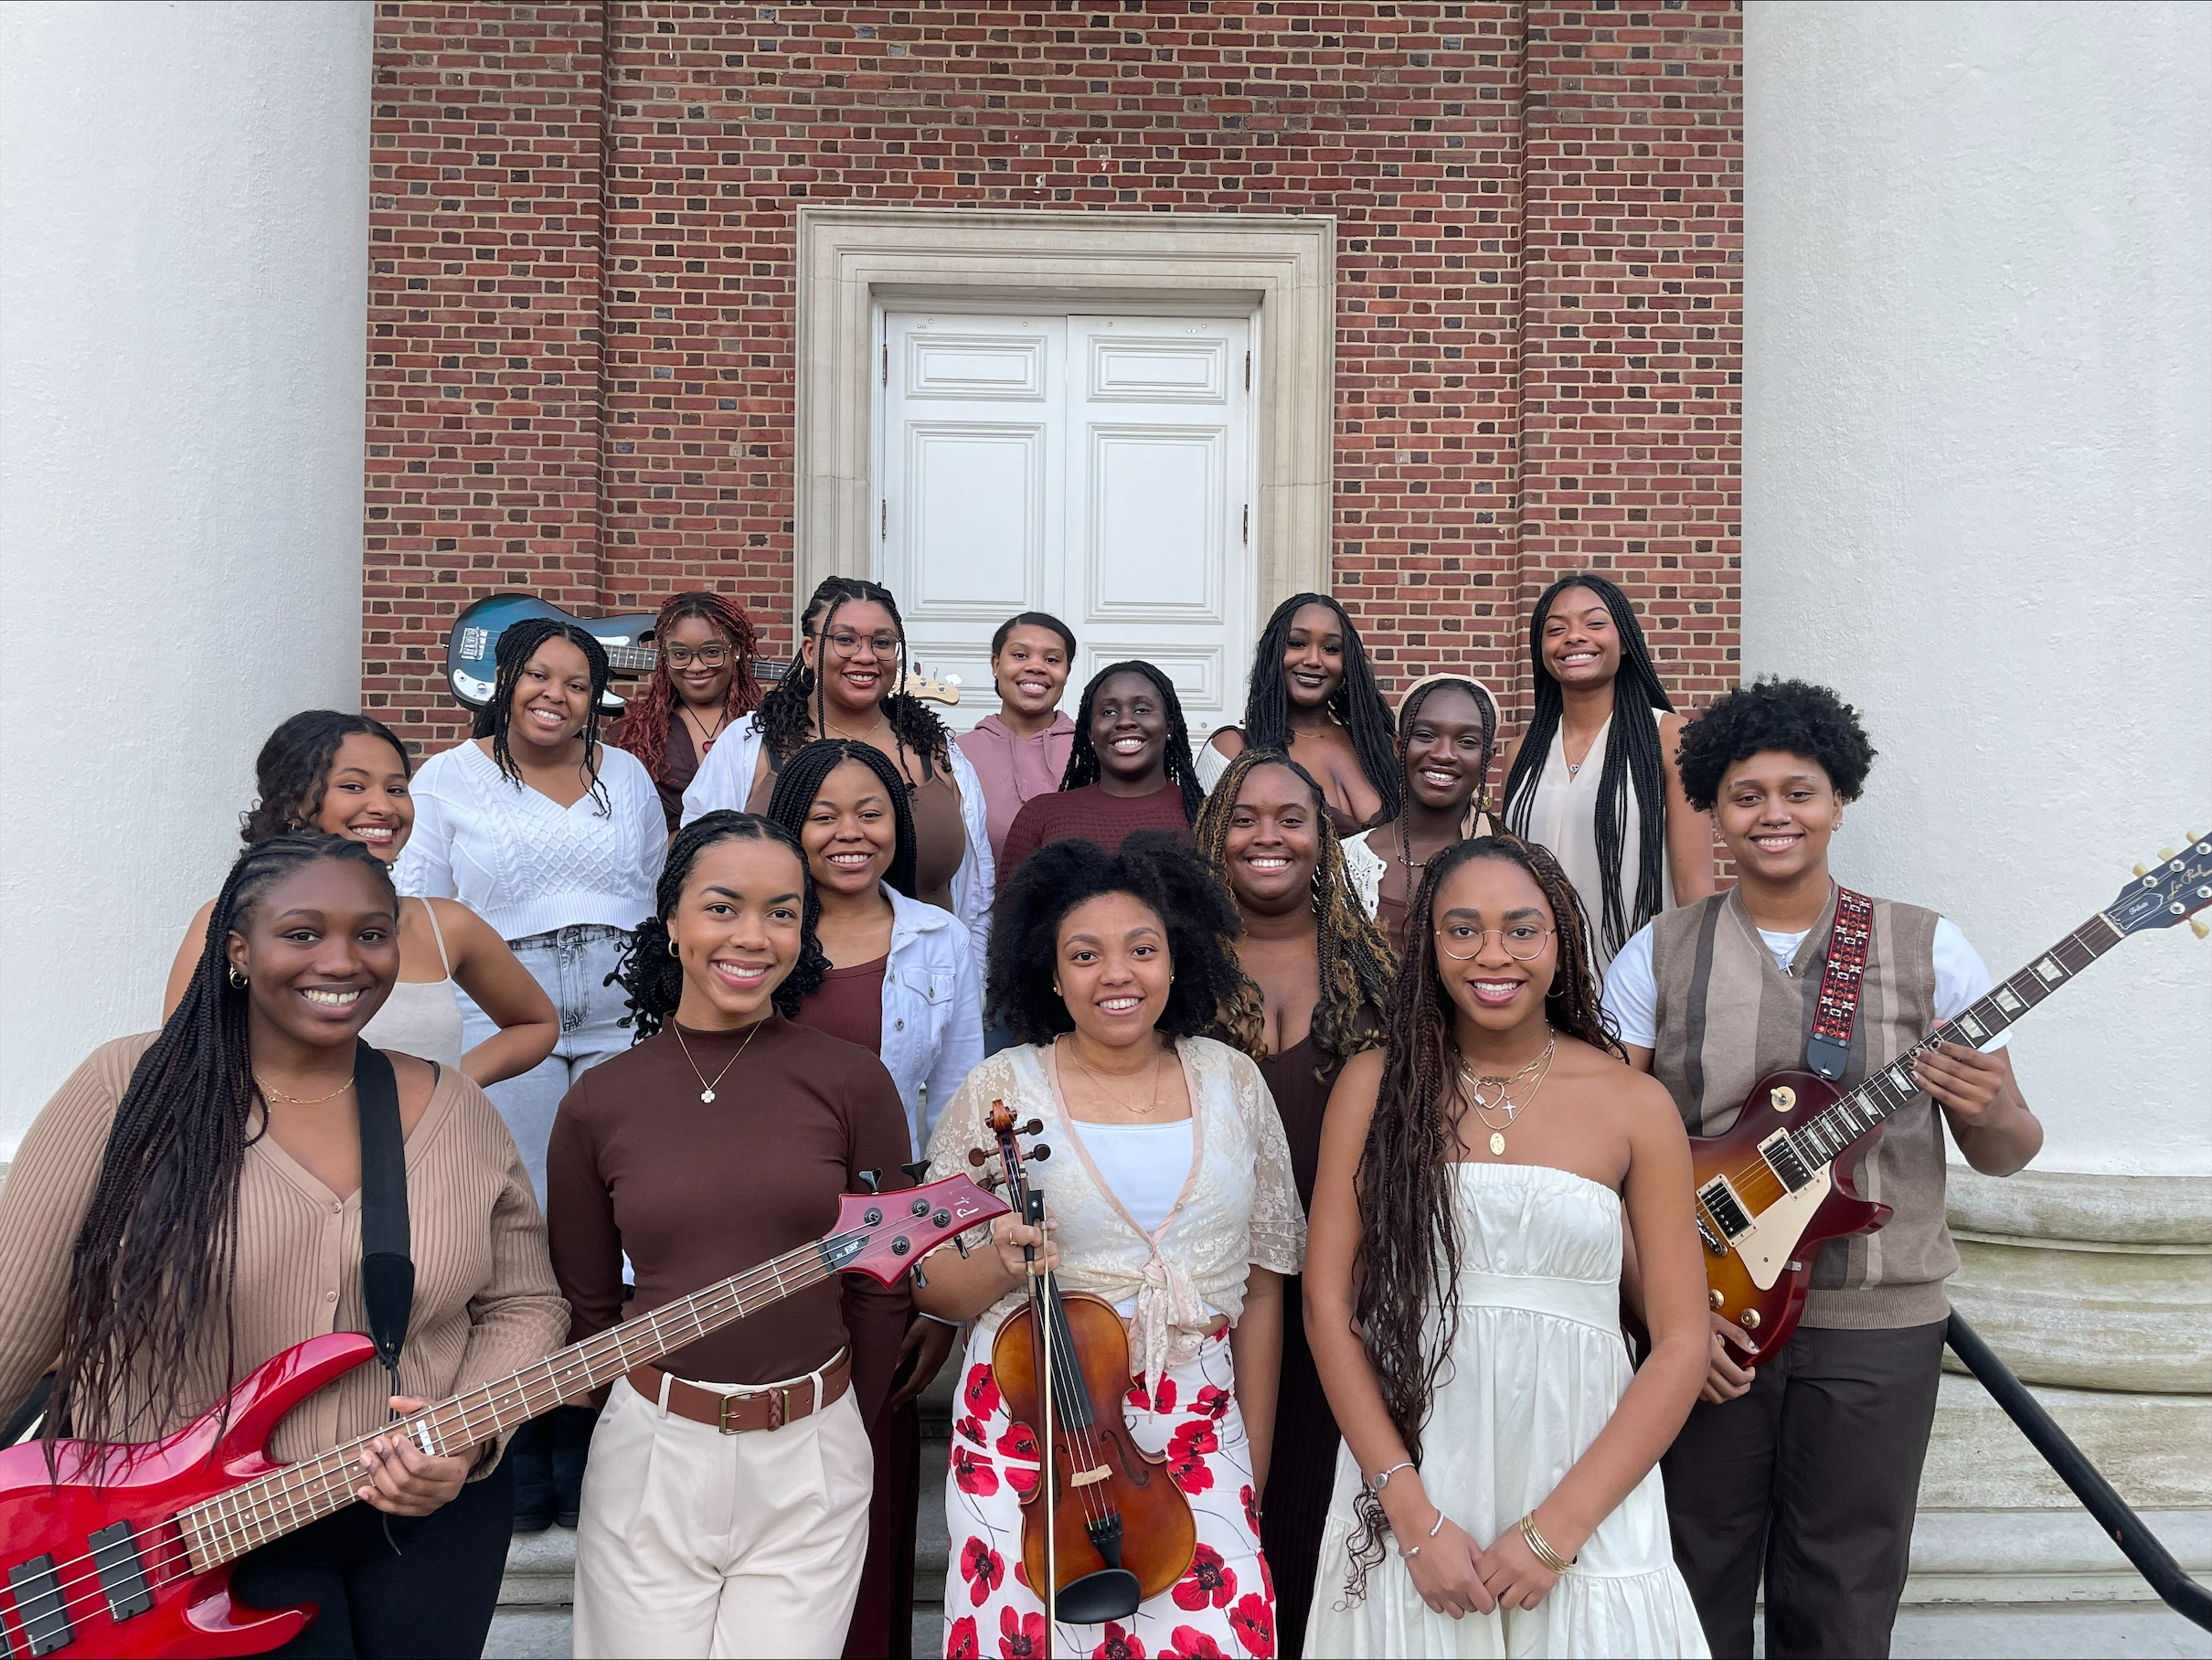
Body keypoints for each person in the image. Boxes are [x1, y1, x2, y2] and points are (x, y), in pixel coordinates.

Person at [0, 834, 569, 1659]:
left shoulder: (455, 1108)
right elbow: (14, 1318)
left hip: (427, 1525)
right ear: (237, 950)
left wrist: (461, 1435)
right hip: (184, 1542)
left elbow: (525, 1303)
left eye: (371, 934)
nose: (342, 961)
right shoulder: (129, 1090)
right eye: (302, 933)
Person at [1604, 679, 2043, 1660]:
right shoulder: (1655, 954)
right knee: (1689, 1567)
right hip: (1702, 1319)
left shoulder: (1931, 948)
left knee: (1845, 1584)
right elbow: (1604, 1157)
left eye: (1796, 792)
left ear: (1837, 801)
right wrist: (1663, 1305)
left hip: (1877, 1323)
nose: (1772, 814)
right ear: (1713, 810)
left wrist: (1991, 1106)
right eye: (1745, 793)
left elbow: (2006, 1150)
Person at [1303, 835, 1711, 1656]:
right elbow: (1328, 1305)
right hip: (1417, 1473)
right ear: (1428, 946)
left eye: (1523, 929)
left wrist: (1559, 1528)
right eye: (1463, 930)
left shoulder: (1635, 1105)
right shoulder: (1374, 1087)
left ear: (1561, 942)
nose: (1494, 954)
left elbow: (1680, 1340)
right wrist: (1411, 1517)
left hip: (1585, 1479)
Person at [913, 835, 1305, 1660]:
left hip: (1199, 1418)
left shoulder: (1234, 1081)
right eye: (1084, 955)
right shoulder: (1000, 1091)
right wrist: (999, 1262)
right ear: (1051, 975)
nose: (1116, 975)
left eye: (1142, 949)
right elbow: (934, 1287)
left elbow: (1265, 1289)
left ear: (1177, 958)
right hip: (1038, 1426)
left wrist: (1250, 1460)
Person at [548, 812, 913, 1659]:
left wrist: (841, 1428)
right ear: (671, 920)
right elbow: (590, 1305)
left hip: (812, 1450)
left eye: (783, 912)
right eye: (723, 907)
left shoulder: (853, 1082)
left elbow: (876, 1284)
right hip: (651, 1454)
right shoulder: (599, 1102)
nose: (753, 936)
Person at [394, 616, 665, 1531]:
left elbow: (658, 891)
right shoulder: (446, 778)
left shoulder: (623, 776)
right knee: (526, 1225)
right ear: (504, 682)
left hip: (624, 1000)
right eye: (537, 675)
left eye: (577, 682)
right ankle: (523, 1429)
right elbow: (418, 908)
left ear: (599, 698)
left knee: (615, 1217)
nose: (556, 693)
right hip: (509, 1003)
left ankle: (591, 1424)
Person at [761, 739, 985, 1660]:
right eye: (823, 813)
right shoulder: (756, 929)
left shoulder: (941, 937)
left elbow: (963, 1105)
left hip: (888, 1244)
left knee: (868, 1475)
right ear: (790, 825)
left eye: (870, 812)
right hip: (759, 1237)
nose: (848, 832)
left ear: (900, 825)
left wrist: (942, 1280)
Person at [1191, 747, 1396, 1658]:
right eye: (1243, 816)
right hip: (1200, 1306)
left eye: (1289, 817)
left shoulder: (1378, 973)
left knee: (1322, 1533)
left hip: (1348, 1305)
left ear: (1324, 840)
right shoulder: (1169, 968)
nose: (1265, 835)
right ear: (1211, 834)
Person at [163, 710, 558, 1087]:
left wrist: (447, 1086)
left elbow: (535, 1023)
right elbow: (182, 1056)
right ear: (291, 803)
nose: (384, 807)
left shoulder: (446, 926)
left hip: (421, 1155)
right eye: (353, 786)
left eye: (397, 789)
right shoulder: (229, 919)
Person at [681, 576, 993, 978]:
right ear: (809, 651)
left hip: (929, 985)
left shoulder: (937, 749)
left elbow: (977, 887)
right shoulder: (750, 743)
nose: (865, 656)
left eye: (882, 642)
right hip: (781, 986)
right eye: (845, 640)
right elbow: (698, 868)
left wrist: (973, 979)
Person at [1495, 572, 1714, 974]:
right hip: (1537, 980)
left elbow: (1693, 885)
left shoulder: (1671, 738)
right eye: (1556, 629)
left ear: (1626, 641)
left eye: (1595, 623)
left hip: (1638, 980)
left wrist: (1698, 985)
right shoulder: (1520, 753)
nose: (1575, 637)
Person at [1196, 591, 1401, 837]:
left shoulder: (1379, 748)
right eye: (1297, 643)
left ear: (1347, 663)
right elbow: (1210, 852)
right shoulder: (1234, 749)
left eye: (1331, 648)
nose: (1314, 660)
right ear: (1272, 653)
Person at [995, 659, 1203, 885]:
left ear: (1169, 727)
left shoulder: (1203, 815)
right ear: (1090, 732)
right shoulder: (1041, 816)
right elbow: (1010, 915)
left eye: (1142, 710)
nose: (1125, 721)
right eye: (1109, 711)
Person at [1342, 674, 1502, 954]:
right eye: (1425, 735)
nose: (1443, 754)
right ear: (1399, 746)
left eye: (1466, 741)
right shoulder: (1345, 863)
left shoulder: (1514, 867)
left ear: (1487, 758)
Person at [607, 590, 766, 835]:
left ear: (735, 650)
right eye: (680, 654)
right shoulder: (634, 733)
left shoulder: (768, 726)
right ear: (665, 656)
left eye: (712, 652)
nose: (696, 667)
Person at [957, 611, 1079, 867]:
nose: (1036, 666)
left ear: (1066, 672)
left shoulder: (1089, 754)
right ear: (996, 665)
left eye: (1052, 659)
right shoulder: (957, 755)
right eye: (1020, 655)